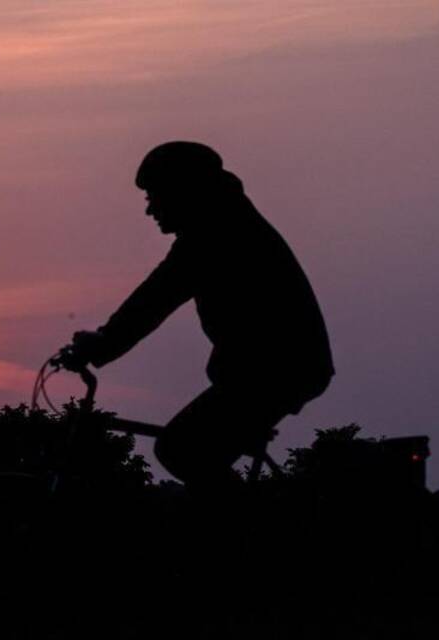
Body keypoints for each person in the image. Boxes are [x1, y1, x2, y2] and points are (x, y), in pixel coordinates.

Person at [60, 141, 334, 492]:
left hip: (276, 370)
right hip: (273, 368)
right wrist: (105, 342)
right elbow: (154, 297)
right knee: (195, 452)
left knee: (181, 451)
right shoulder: (223, 222)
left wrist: (102, 346)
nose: (149, 210)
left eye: (153, 196)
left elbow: (153, 300)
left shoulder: (217, 234)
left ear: (181, 191)